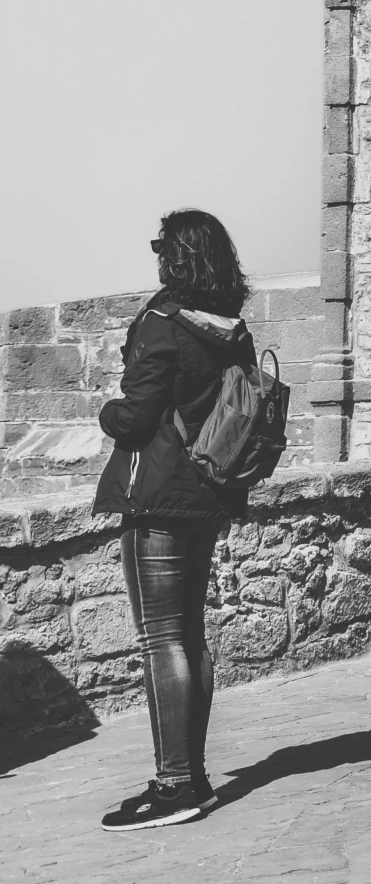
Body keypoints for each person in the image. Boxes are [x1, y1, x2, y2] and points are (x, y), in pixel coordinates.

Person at [89, 210, 255, 830]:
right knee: (189, 635)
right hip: (209, 493)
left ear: (174, 258)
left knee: (161, 638)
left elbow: (134, 419)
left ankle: (176, 784)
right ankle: (196, 776)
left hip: (157, 495)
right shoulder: (231, 325)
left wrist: (107, 410)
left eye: (161, 248)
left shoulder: (163, 327)